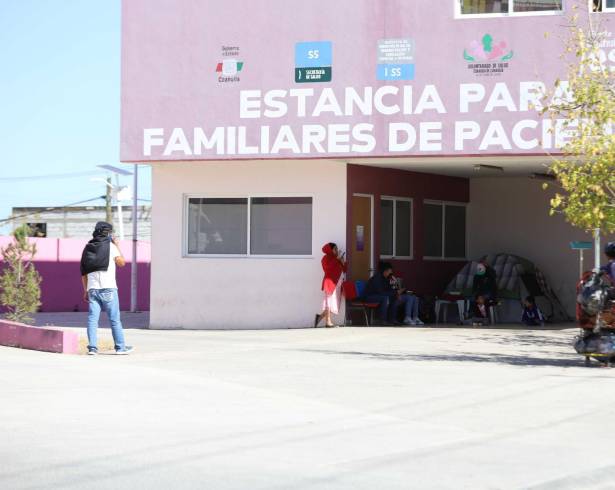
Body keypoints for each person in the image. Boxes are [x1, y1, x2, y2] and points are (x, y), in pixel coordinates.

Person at [80, 222, 134, 355]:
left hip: (92, 289)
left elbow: (84, 272)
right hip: (108, 288)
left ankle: (92, 348)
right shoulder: (110, 246)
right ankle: (120, 348)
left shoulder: (88, 248)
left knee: (92, 319)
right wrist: (117, 245)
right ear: (107, 233)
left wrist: (85, 290)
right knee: (114, 319)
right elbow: (122, 263)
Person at [315, 242, 347, 328]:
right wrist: (337, 259)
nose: (336, 250)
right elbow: (327, 268)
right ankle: (328, 322)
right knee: (329, 303)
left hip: (336, 284)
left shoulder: (336, 258)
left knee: (334, 304)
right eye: (335, 249)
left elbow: (344, 270)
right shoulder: (325, 258)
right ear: (330, 249)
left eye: (337, 249)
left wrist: (343, 261)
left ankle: (320, 317)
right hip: (329, 283)